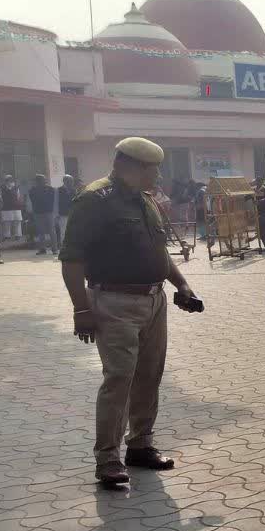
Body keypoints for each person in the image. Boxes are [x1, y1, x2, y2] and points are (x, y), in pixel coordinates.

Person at [59, 137, 201, 485]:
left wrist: (181, 285)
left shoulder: (146, 201)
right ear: (132, 165)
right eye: (153, 168)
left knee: (149, 376)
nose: (158, 174)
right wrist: (81, 309)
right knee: (119, 378)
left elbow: (159, 253)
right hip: (114, 303)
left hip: (154, 301)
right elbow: (71, 260)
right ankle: (107, 458)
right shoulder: (94, 200)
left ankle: (140, 446)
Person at [26, 174, 60, 256]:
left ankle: (54, 249)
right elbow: (29, 202)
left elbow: (56, 202)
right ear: (37, 181)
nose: (42, 181)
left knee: (52, 231)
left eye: (43, 180)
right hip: (37, 213)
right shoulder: (32, 190)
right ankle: (42, 249)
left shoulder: (52, 189)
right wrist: (30, 212)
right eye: (39, 180)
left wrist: (56, 213)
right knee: (40, 232)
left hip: (49, 213)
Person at [0, 175, 23, 242]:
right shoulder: (2, 187)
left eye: (10, 180)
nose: (9, 181)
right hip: (6, 208)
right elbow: (0, 197)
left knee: (17, 222)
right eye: (7, 180)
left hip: (16, 207)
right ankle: (7, 236)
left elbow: (18, 197)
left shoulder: (16, 187)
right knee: (6, 223)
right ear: (5, 181)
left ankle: (18, 235)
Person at [57, 175, 77, 244]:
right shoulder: (59, 190)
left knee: (73, 230)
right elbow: (56, 202)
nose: (72, 183)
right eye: (70, 181)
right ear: (65, 181)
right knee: (63, 230)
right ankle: (64, 245)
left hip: (72, 213)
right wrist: (56, 214)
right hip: (62, 213)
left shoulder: (74, 190)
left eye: (72, 181)